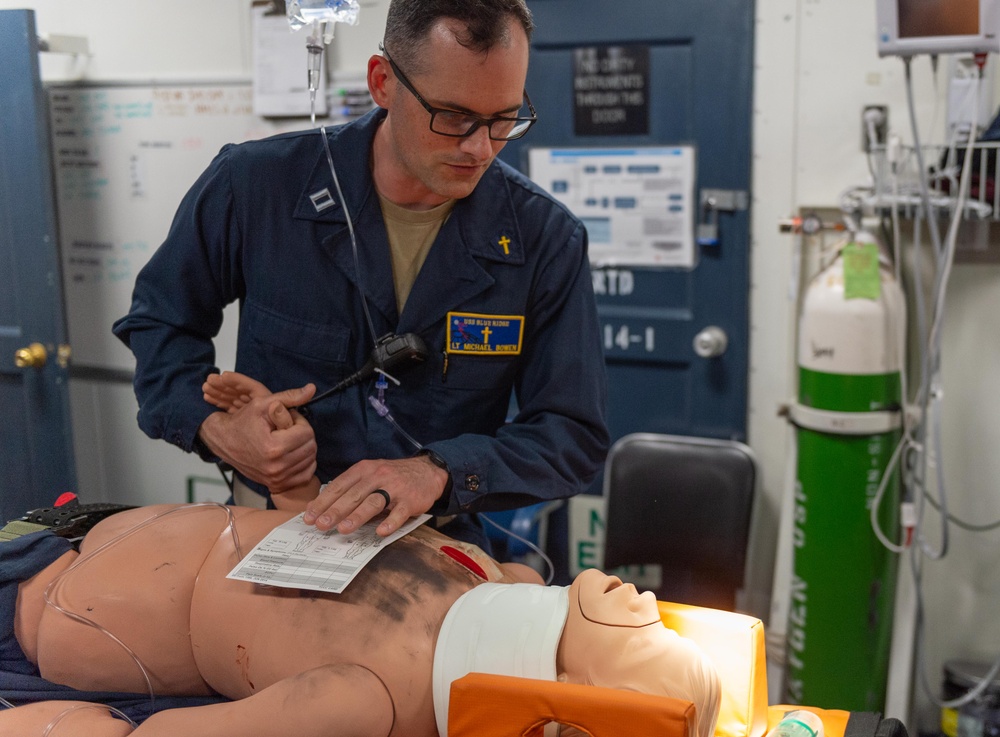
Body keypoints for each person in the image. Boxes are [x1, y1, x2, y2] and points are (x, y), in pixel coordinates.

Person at [110, 0, 609, 551]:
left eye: (504, 118)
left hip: (434, 545)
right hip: (271, 531)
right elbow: (159, 324)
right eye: (454, 117)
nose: (479, 147)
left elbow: (571, 435)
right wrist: (217, 428)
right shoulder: (256, 187)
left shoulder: (544, 238)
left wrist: (439, 471)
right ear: (383, 82)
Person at [0, 504, 721, 737]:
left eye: (647, 642)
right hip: (70, 534)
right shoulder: (498, 576)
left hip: (54, 615)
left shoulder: (367, 696)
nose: (649, 607)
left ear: (572, 688)